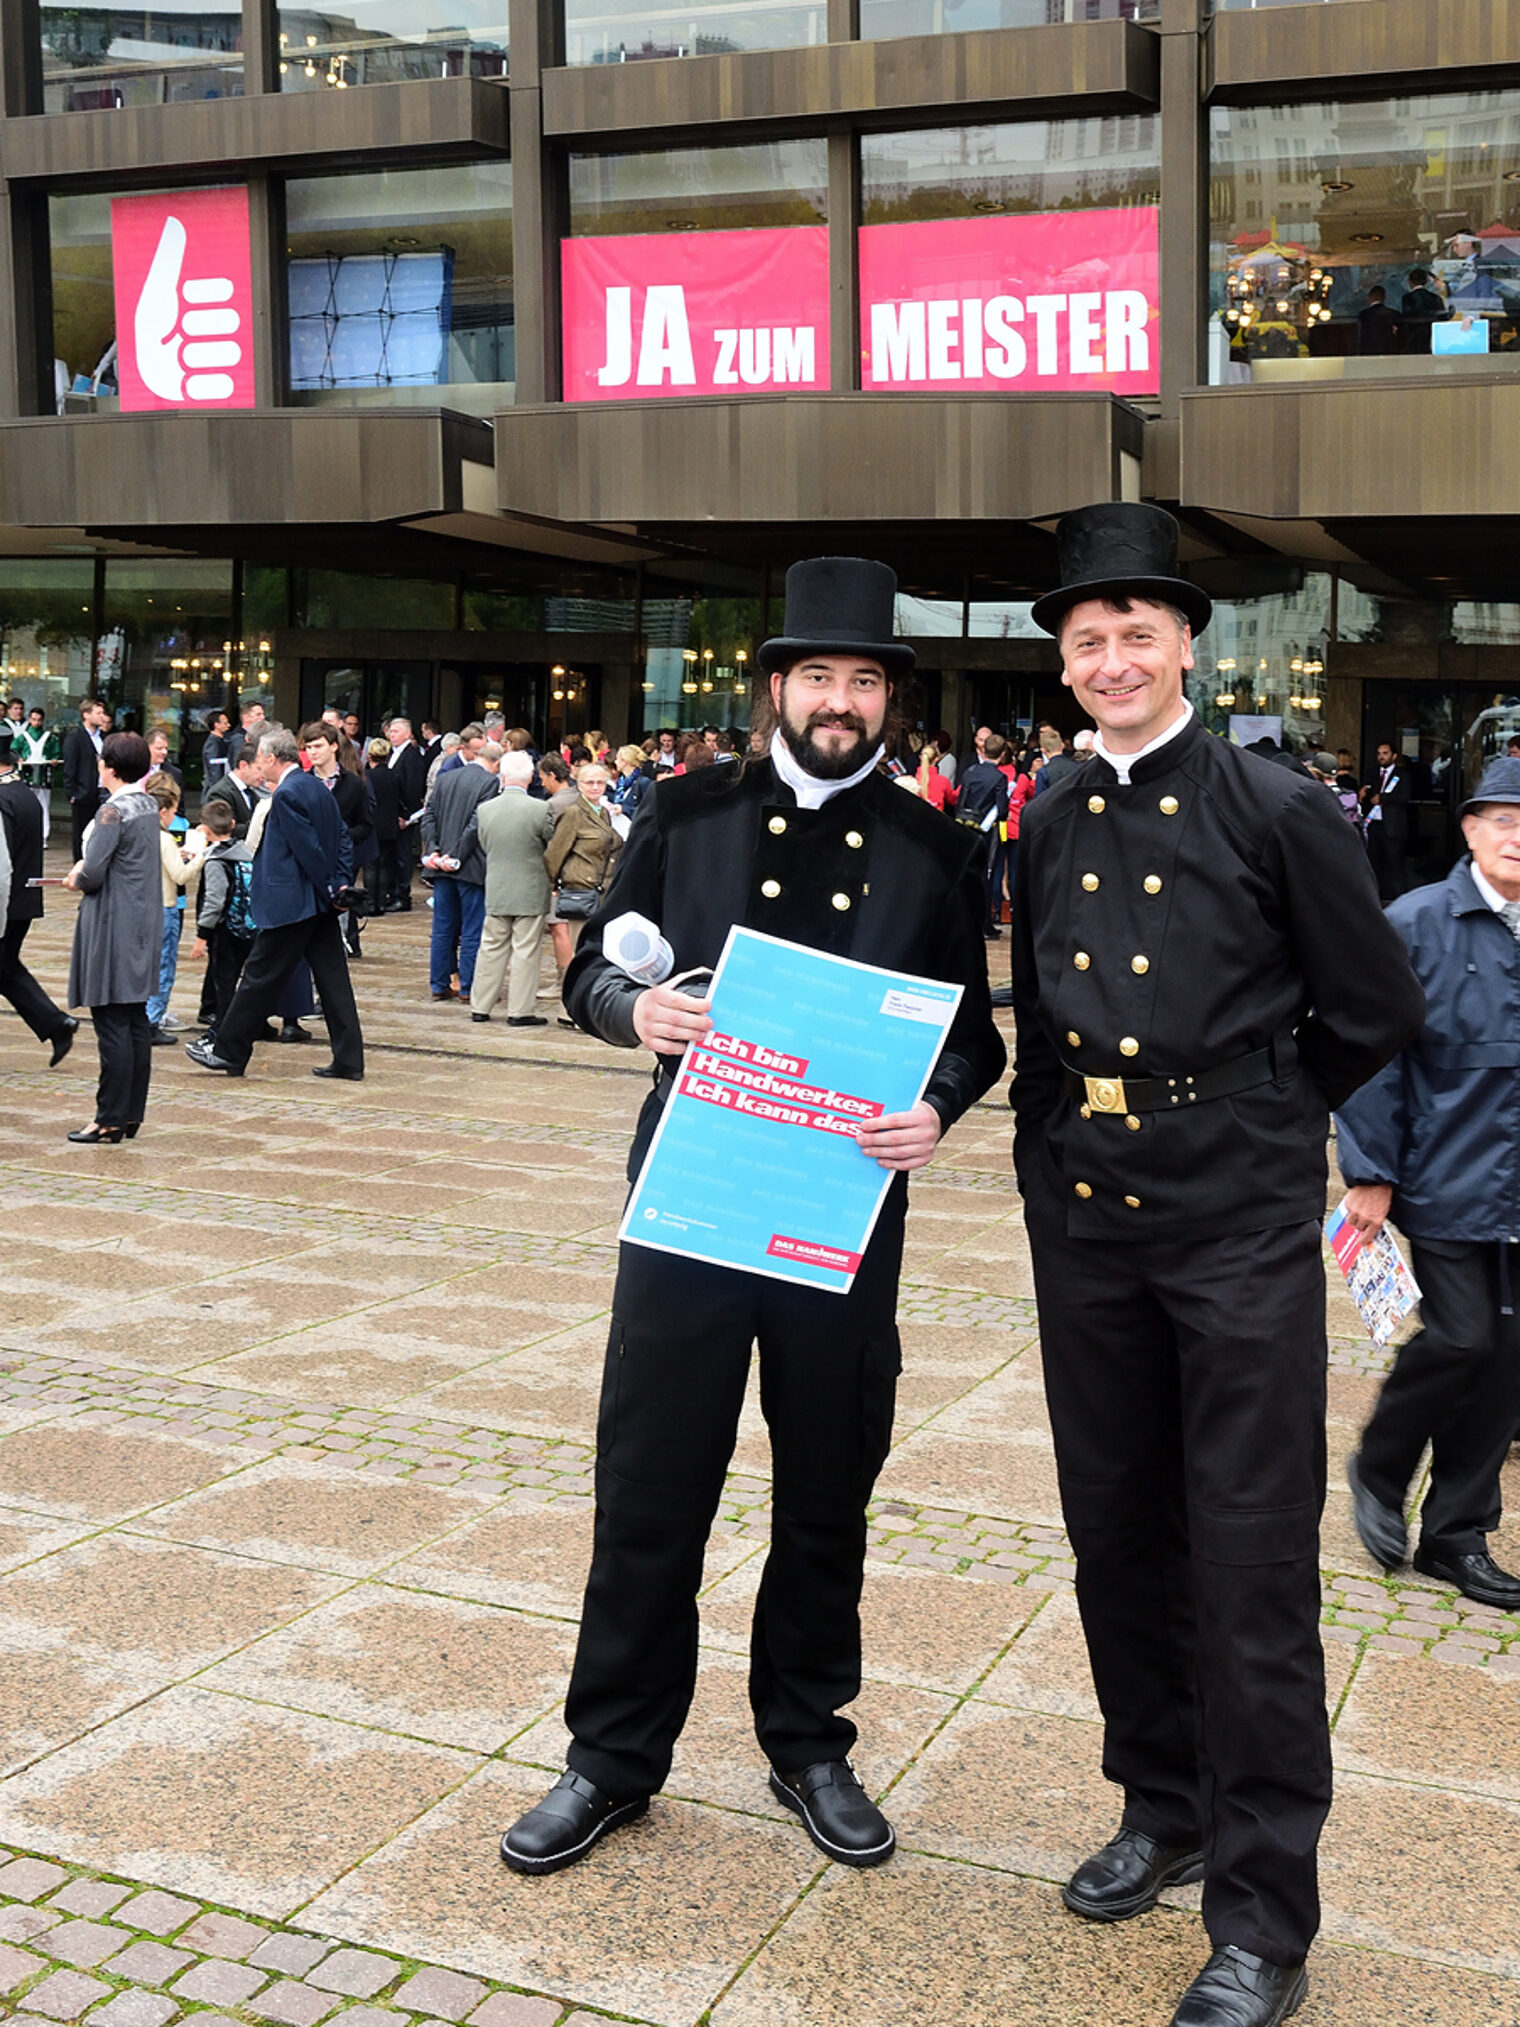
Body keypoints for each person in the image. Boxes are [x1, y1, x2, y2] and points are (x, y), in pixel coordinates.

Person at [500, 555, 1005, 1879]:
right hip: (692, 1201)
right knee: (651, 1481)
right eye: (818, 675)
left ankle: (808, 1738)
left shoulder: (941, 848)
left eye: (865, 679)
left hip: (842, 1210)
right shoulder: (683, 810)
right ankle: (609, 1755)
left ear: (890, 697)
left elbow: (974, 1037)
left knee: (828, 1482)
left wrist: (939, 1107)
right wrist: (636, 1011)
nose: (840, 700)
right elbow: (598, 962)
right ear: (778, 684)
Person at [1009, 504, 1423, 2027]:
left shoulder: (1276, 802)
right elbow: (1041, 1004)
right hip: (1092, 1215)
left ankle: (1263, 1908)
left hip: (1238, 1216)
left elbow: (1371, 1003)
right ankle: (1163, 1802)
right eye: (1086, 639)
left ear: (1187, 642)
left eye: (1136, 632)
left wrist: (1262, 1110)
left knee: (1248, 1560)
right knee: (1116, 1526)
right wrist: (1044, 1167)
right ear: (1065, 665)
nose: (1112, 658)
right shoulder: (1047, 806)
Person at [1338, 754, 1520, 1612]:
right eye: (1501, 819)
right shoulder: (1415, 921)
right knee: (1465, 1337)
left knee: (1509, 1360)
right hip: (1446, 1170)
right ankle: (1380, 1462)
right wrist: (1369, 1173)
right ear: (1471, 830)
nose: (1516, 837)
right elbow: (1370, 1055)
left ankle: (1458, 1534)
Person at [183, 727, 364, 1082]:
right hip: (317, 903)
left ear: (270, 758)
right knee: (332, 982)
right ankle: (349, 1059)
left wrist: (331, 887)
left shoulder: (289, 793)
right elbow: (342, 839)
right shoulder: (315, 786)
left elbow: (306, 848)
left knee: (258, 977)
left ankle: (227, 1051)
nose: (258, 765)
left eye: (260, 758)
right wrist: (340, 883)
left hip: (295, 902)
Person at [62, 730, 164, 1143]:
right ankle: (129, 1113)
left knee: (112, 1022)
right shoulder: (147, 804)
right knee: (135, 1019)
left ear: (109, 766)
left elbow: (93, 872)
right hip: (142, 920)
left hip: (113, 922)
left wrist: (75, 877)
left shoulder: (112, 811)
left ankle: (108, 1117)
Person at [463, 750, 557, 1026]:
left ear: (502, 776)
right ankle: (520, 1010)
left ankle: (480, 1005)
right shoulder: (540, 809)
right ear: (529, 778)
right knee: (525, 950)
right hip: (530, 887)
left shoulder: (486, 809)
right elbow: (550, 843)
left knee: (491, 947)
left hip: (497, 885)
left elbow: (484, 843)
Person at [0, 743, 76, 1065]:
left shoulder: (4, 799)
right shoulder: (24, 794)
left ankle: (56, 1023)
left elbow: (1, 864)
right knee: (4, 968)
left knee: (5, 968)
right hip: (22, 899)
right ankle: (55, 1025)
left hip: (5, 901)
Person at [423, 739, 501, 1003]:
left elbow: (429, 814)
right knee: (471, 929)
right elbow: (477, 824)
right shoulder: (490, 783)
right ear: (496, 763)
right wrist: (454, 856)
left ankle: (438, 983)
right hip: (469, 866)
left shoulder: (446, 777)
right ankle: (468, 987)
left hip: (441, 867)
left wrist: (434, 850)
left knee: (443, 927)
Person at [544, 760, 621, 1025]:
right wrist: (555, 885)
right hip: (580, 891)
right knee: (579, 952)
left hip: (601, 891)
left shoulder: (603, 812)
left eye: (600, 782)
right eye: (590, 782)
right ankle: (570, 1010)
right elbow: (555, 853)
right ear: (579, 784)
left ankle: (582, 1008)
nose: (596, 787)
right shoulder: (574, 812)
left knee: (593, 951)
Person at [300, 722, 373, 959]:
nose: (313, 751)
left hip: (341, 865)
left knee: (337, 929)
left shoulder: (352, 784)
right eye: (309, 747)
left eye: (318, 746)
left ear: (333, 746)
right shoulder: (302, 783)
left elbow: (365, 825)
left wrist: (341, 839)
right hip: (308, 866)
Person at [144, 771, 205, 1044]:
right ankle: (152, 1020)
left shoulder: (138, 832)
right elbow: (180, 875)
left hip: (144, 906)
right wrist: (199, 856)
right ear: (164, 811)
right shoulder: (165, 838)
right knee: (164, 967)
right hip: (166, 906)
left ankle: (142, 1017)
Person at [189, 799, 255, 1047]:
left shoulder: (216, 861)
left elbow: (214, 901)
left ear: (204, 828)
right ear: (233, 824)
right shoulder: (245, 853)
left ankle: (220, 1033)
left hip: (225, 931)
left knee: (224, 984)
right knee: (242, 979)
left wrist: (201, 936)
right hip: (247, 926)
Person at [952, 732, 1012, 938]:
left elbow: (960, 801)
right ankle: (985, 923)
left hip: (966, 827)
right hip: (987, 830)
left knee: (967, 872)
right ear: (1002, 753)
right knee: (986, 875)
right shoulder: (999, 777)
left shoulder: (969, 772)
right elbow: (1002, 810)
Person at [1363, 739, 1414, 901]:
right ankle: (1374, 901)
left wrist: (1383, 798)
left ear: (1394, 756)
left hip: (1393, 828)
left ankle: (1401, 901)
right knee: (1373, 867)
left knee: (1396, 868)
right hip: (1374, 825)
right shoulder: (1371, 773)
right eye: (1379, 754)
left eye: (1385, 753)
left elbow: (1405, 797)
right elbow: (1366, 796)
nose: (1381, 757)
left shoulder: (1402, 775)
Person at [62, 699, 109, 859]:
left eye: (103, 713)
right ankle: (80, 865)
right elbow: (69, 767)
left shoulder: (104, 738)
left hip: (103, 791)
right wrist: (73, 794)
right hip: (84, 793)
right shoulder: (75, 738)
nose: (102, 716)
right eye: (98, 713)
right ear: (86, 715)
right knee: (81, 833)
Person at [15, 707, 60, 840]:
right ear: (29, 719)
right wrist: (18, 758)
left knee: (44, 806)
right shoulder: (23, 737)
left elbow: (56, 754)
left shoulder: (49, 737)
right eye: (33, 719)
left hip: (43, 775)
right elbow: (12, 751)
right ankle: (26, 834)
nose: (36, 722)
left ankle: (43, 836)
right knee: (25, 806)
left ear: (42, 721)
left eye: (39, 720)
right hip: (27, 774)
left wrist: (54, 761)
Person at [200, 744, 262, 838]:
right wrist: (259, 824)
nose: (263, 774)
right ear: (243, 766)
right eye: (259, 769)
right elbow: (224, 829)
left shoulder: (251, 793)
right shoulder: (219, 793)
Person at [1400, 268, 1448, 354]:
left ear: (1410, 281)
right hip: (1431, 337)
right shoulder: (1436, 298)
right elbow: (1442, 319)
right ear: (1426, 281)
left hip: (1413, 339)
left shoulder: (1407, 298)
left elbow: (1406, 319)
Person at [1356, 285, 1400, 355]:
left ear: (1369, 297)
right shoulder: (1394, 314)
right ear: (1384, 298)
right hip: (1389, 352)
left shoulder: (1364, 315)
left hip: (1369, 352)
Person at [200, 709, 232, 786]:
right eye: (225, 723)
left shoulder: (221, 741)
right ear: (216, 725)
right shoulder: (213, 744)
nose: (229, 725)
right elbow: (215, 769)